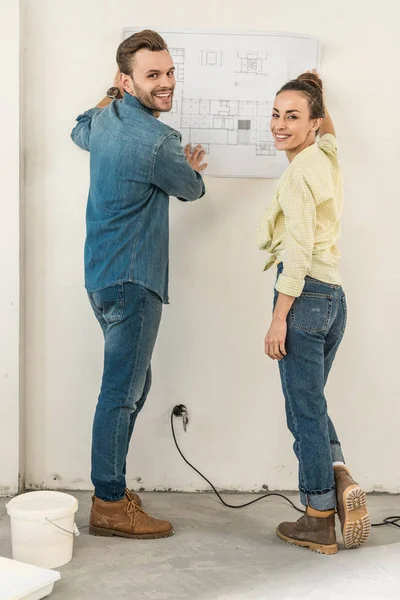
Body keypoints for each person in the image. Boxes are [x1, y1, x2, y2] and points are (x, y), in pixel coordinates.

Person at [71, 30, 207, 539]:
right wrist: (191, 168)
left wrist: (112, 95)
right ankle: (108, 501)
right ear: (127, 80)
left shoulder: (105, 120)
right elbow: (191, 189)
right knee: (121, 392)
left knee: (133, 383)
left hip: (100, 277)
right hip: (134, 280)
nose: (167, 83)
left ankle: (111, 487)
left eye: (170, 72)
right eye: (154, 75)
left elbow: (77, 130)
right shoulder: (158, 141)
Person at [257, 71, 371, 555]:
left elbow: (298, 253)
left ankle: (319, 516)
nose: (280, 124)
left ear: (312, 124)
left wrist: (279, 316)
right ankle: (339, 474)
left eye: (294, 116)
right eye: (277, 114)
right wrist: (318, 94)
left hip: (303, 297)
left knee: (302, 409)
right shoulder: (325, 156)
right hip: (334, 298)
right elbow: (334, 136)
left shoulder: (300, 172)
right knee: (312, 402)